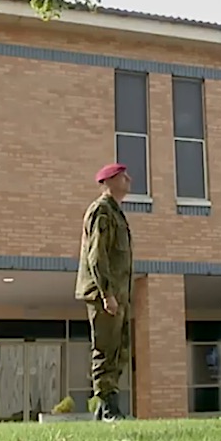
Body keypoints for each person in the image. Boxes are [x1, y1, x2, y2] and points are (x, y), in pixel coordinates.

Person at [75, 162, 134, 422]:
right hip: (104, 294)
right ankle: (109, 407)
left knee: (119, 351)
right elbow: (97, 256)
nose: (129, 180)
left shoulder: (116, 213)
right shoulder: (102, 211)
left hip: (117, 295)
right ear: (109, 182)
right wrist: (107, 294)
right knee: (105, 349)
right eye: (123, 177)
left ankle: (104, 408)